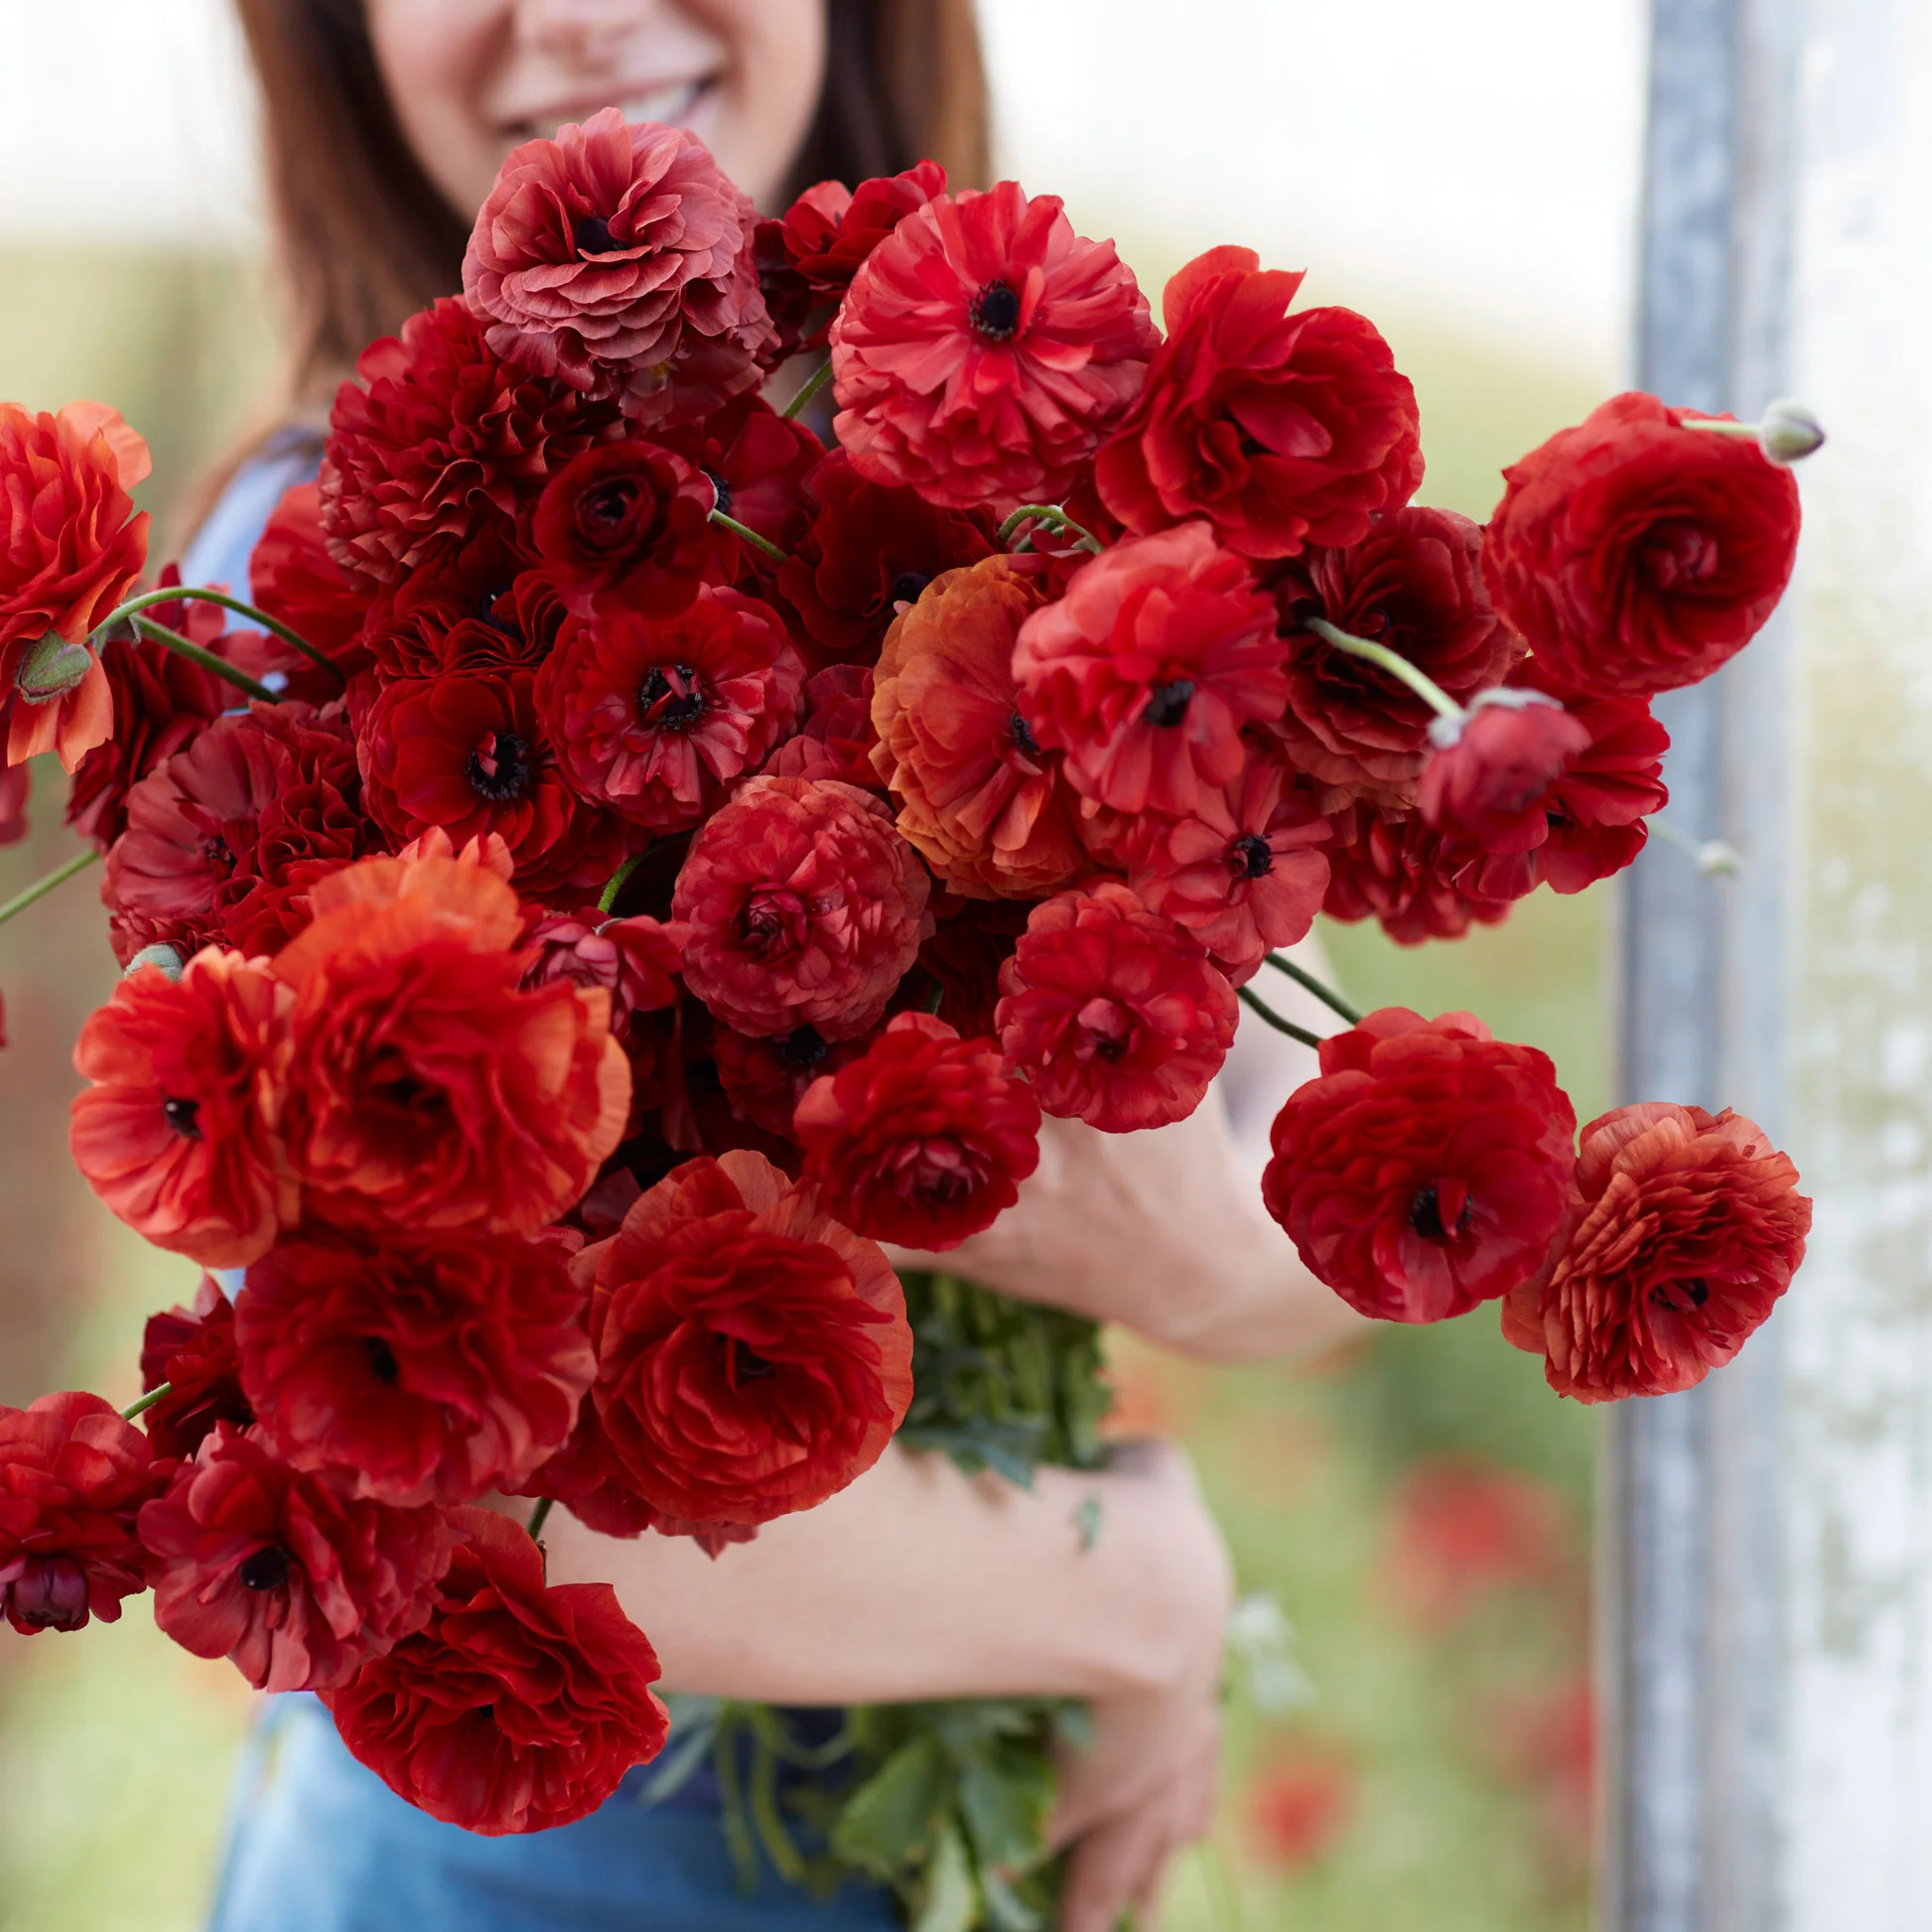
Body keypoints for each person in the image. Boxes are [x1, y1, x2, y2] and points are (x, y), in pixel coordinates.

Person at [190, 6, 1366, 1930]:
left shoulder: (1034, 491)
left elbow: (1345, 1193)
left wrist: (1184, 1264)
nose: (571, 16)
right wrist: (1124, 1592)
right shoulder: (308, 591)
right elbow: (424, 1478)